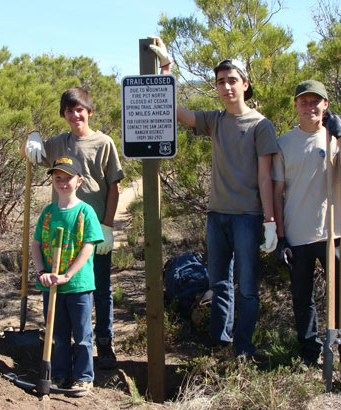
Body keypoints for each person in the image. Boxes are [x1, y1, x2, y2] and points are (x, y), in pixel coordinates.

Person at [150, 37, 278, 358]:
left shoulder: (261, 126)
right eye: (221, 82)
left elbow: (266, 176)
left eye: (232, 80)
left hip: (248, 218)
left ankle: (243, 349)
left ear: (245, 84)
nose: (226, 87)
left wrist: (271, 220)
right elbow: (174, 110)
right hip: (216, 216)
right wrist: (167, 67)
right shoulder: (215, 120)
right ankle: (220, 345)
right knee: (219, 284)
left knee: (247, 288)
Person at [272, 80, 341, 376]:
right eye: (304, 101)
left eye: (316, 101)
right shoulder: (284, 143)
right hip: (297, 234)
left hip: (336, 232)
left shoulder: (338, 136)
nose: (310, 107)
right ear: (296, 105)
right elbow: (278, 193)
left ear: (325, 104)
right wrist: (279, 237)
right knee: (303, 299)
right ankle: (309, 353)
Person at [22, 87, 124, 369]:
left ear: (89, 112)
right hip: (63, 233)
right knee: (65, 286)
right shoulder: (58, 143)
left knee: (100, 287)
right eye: (69, 111)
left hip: (94, 231)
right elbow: (32, 156)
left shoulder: (104, 143)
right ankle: (64, 348)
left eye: (80, 110)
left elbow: (114, 186)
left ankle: (104, 342)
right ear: (64, 115)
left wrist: (108, 225)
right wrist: (31, 137)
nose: (75, 115)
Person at [32, 155, 104, 397]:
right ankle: (60, 374)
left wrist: (67, 275)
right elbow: (37, 244)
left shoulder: (85, 212)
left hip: (78, 286)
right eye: (58, 178)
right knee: (57, 333)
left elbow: (88, 247)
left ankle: (84, 378)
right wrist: (41, 271)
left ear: (79, 181)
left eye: (68, 178)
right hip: (51, 286)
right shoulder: (49, 212)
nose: (62, 182)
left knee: (82, 335)